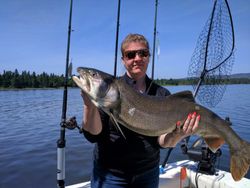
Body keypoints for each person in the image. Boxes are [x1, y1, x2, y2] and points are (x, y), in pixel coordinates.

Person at [81, 33, 200, 188]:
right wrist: (89, 105)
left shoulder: (162, 95)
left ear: (148, 57)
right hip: (110, 174)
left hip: (148, 174)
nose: (137, 58)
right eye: (130, 55)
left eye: (143, 53)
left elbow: (162, 142)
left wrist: (177, 135)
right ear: (123, 60)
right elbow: (93, 135)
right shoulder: (110, 90)